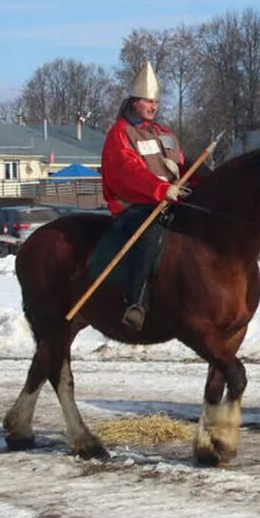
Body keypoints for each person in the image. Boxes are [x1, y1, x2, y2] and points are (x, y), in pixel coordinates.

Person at [101, 62, 192, 330]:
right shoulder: (120, 133)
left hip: (170, 201)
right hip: (136, 207)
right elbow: (128, 171)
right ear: (133, 102)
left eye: (155, 101)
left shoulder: (164, 134)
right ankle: (135, 302)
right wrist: (162, 190)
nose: (153, 106)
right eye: (147, 101)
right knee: (150, 234)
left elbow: (183, 165)